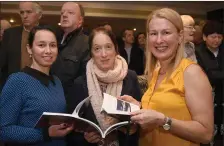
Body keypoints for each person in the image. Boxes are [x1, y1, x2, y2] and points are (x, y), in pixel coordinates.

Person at [119, 8, 214, 146]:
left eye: (166, 33)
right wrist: (139, 107)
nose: (159, 40)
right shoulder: (156, 71)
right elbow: (165, 109)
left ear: (180, 36)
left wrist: (164, 121)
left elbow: (206, 134)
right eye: (153, 33)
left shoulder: (191, 73)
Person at [66, 27, 141, 146]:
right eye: (97, 49)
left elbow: (141, 120)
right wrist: (84, 137)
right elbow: (71, 128)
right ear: (91, 53)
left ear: (115, 49)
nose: (104, 54)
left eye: (108, 47)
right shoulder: (80, 83)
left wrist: (133, 128)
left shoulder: (130, 77)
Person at [0, 25, 73, 146]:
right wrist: (44, 134)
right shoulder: (17, 81)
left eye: (53, 45)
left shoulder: (57, 81)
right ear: (29, 49)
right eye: (41, 45)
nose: (48, 51)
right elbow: (3, 130)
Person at [51, 2, 89, 102]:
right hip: (48, 98)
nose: (64, 15)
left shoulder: (87, 43)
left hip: (69, 103)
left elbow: (84, 82)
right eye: (62, 13)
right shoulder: (52, 39)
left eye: (70, 13)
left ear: (80, 20)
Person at [0, 2, 42, 91]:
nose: (24, 16)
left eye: (28, 12)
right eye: (22, 12)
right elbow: (2, 64)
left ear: (39, 15)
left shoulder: (47, 33)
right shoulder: (10, 34)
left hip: (39, 87)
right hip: (13, 87)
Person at [195, 21, 223, 146]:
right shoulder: (198, 52)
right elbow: (206, 75)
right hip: (206, 95)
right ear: (205, 37)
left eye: (219, 37)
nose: (216, 40)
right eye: (213, 37)